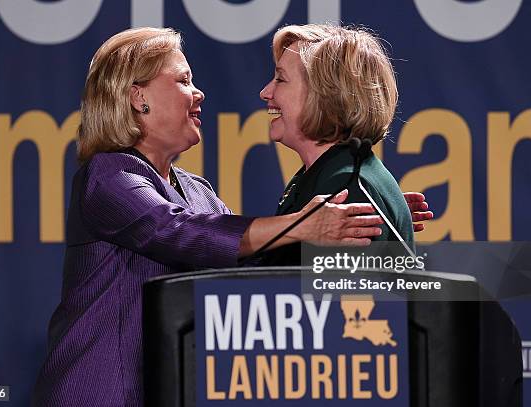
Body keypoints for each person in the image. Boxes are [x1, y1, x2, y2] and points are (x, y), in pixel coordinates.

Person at [31, 27, 391, 406]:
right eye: (184, 80)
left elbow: (252, 267)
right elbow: (172, 229)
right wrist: (304, 223)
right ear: (138, 97)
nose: (199, 93)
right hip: (102, 394)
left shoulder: (199, 191)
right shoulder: (108, 176)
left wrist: (365, 211)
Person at [259, 24, 433, 265]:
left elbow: (337, 301)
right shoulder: (324, 176)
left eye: (281, 79)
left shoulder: (345, 188)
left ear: (323, 96)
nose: (266, 92)